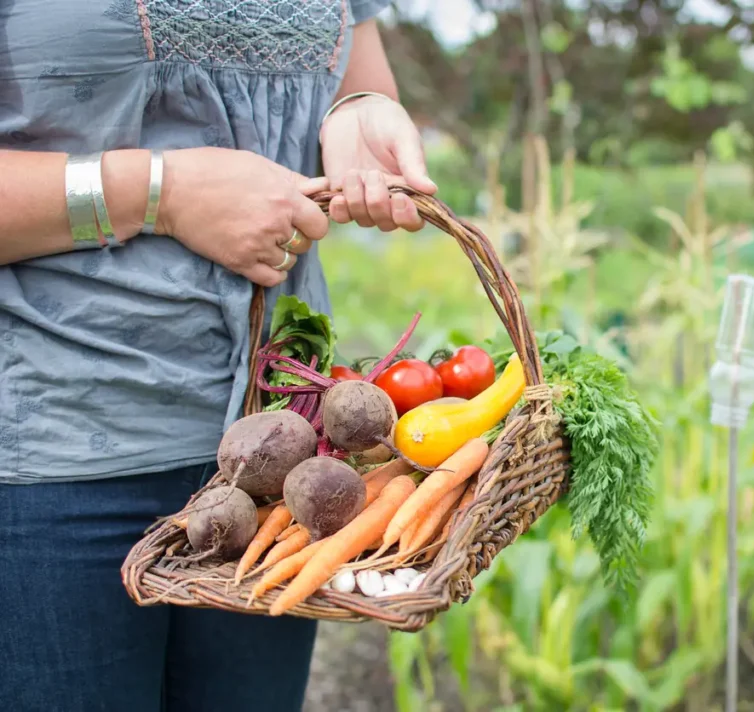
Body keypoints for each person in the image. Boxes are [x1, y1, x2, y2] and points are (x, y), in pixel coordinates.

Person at [0, 2, 436, 710]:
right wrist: (160, 193)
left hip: (280, 464)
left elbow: (362, 76)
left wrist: (359, 113)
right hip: (48, 466)